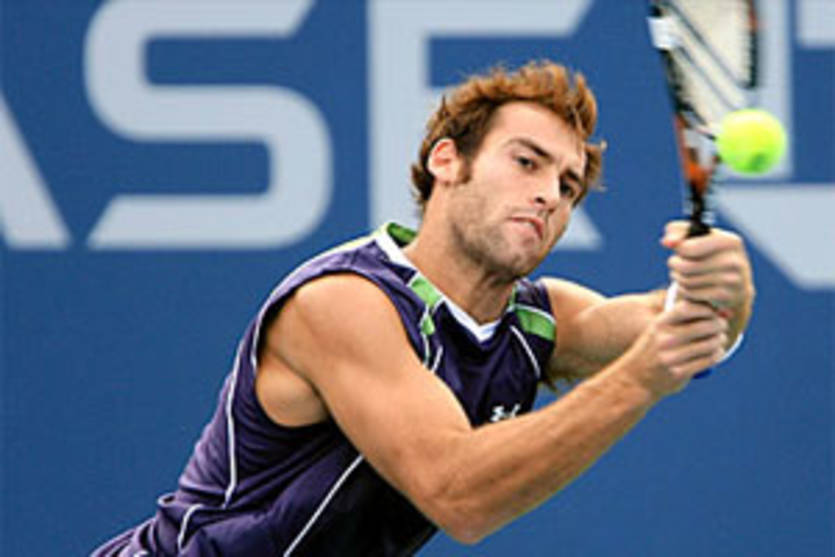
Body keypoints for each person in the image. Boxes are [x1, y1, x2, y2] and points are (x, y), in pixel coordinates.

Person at [93, 60, 754, 556]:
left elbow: (686, 328)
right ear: (447, 161)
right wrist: (639, 379)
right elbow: (459, 493)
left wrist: (725, 294)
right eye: (526, 162)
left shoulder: (537, 322)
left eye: (567, 184)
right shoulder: (343, 303)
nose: (549, 195)